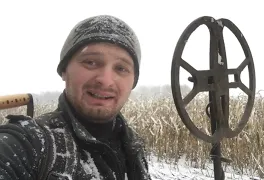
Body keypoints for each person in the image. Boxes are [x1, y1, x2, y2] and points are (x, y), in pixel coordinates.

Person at [0, 15, 151, 180]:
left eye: (121, 68)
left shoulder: (133, 146)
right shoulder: (28, 144)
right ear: (64, 70)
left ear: (133, 81)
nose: (106, 80)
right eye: (91, 62)